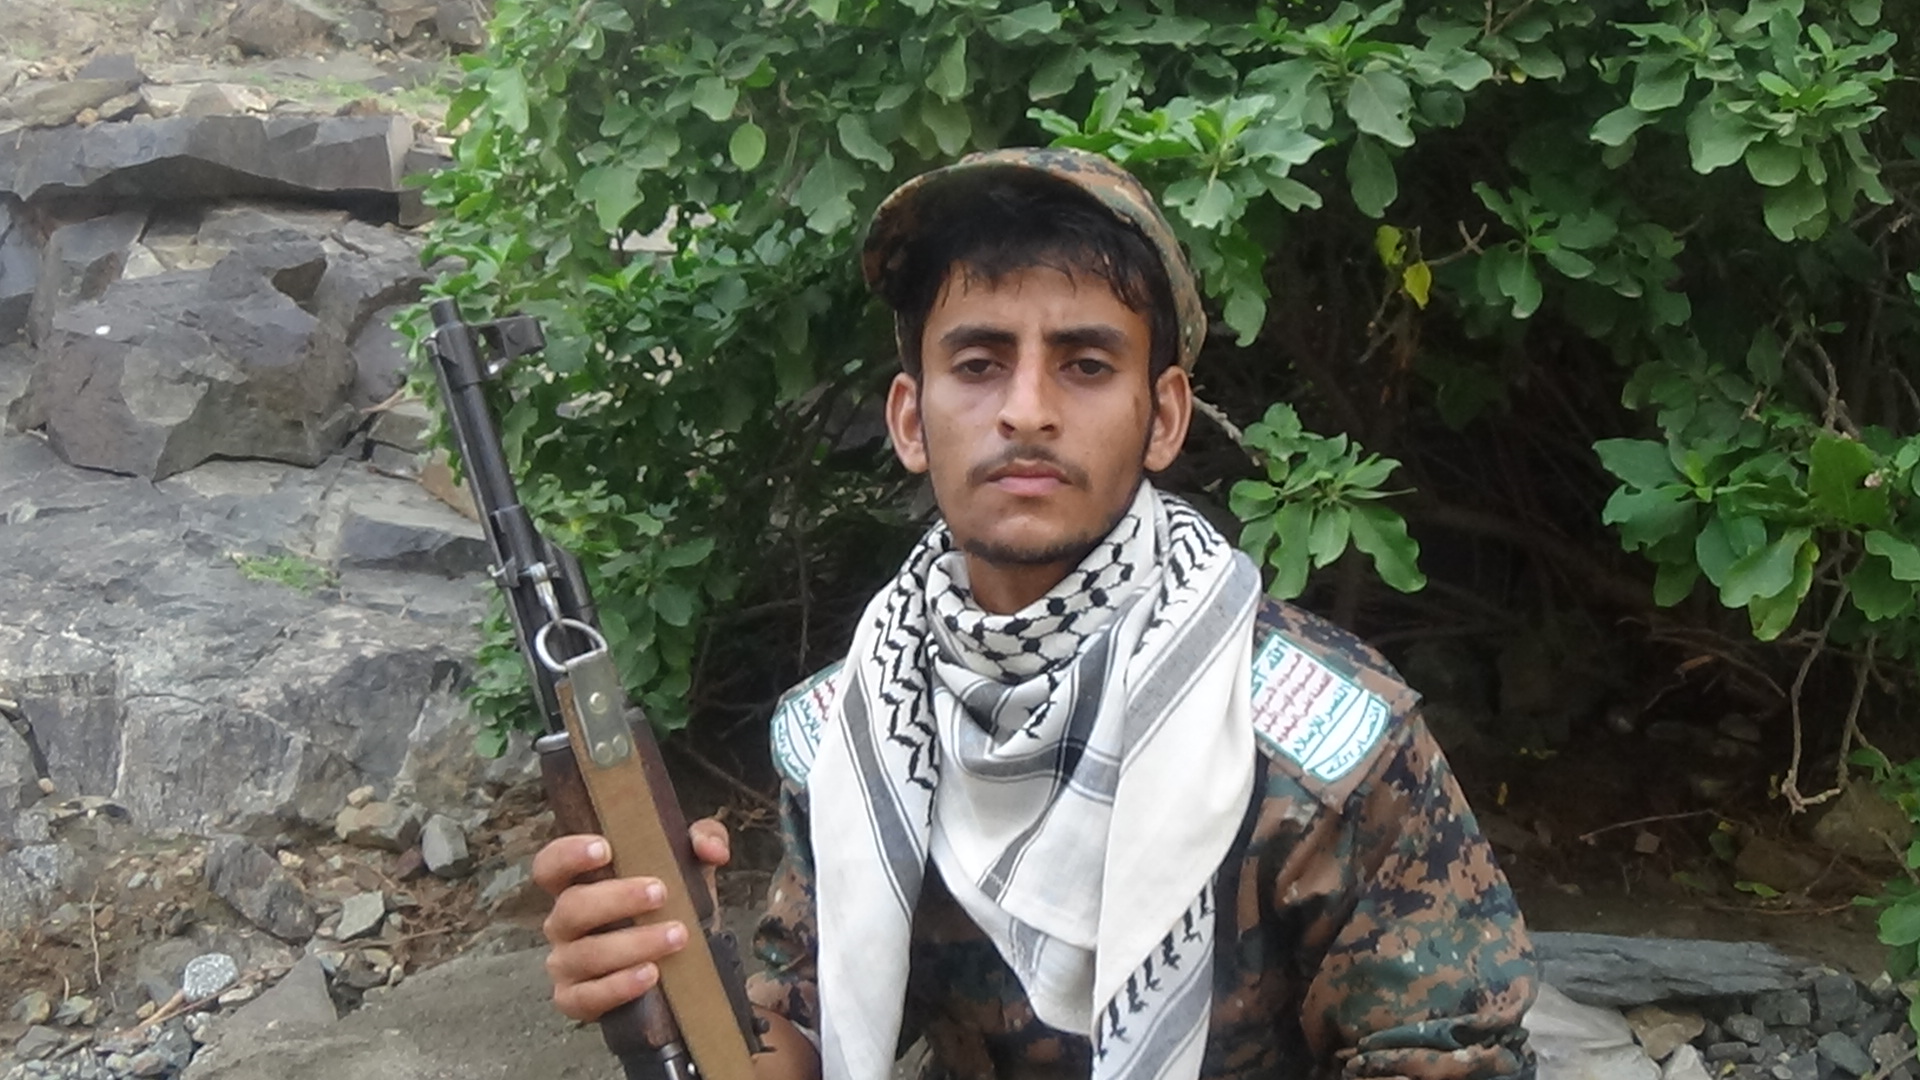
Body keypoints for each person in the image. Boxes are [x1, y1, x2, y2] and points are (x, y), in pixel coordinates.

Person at [534, 148, 1537, 1080]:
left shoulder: (1318, 742)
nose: (1025, 409)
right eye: (977, 364)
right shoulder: (852, 730)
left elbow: (1448, 1057)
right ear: (909, 421)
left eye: (1085, 364)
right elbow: (805, 1029)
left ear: (1164, 418)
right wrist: (676, 979)